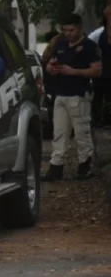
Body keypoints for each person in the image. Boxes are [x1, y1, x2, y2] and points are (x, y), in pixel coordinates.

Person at [43, 14, 102, 181]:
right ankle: (56, 167)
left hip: (79, 93)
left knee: (81, 131)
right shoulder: (60, 44)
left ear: (80, 28)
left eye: (71, 30)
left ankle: (84, 166)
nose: (68, 33)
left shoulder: (89, 46)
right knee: (59, 132)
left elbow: (97, 70)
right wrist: (51, 68)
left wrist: (74, 72)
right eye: (65, 30)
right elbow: (50, 62)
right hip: (60, 93)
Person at [92, 0, 111, 128]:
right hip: (103, 73)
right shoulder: (100, 34)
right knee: (99, 96)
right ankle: (98, 119)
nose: (106, 9)